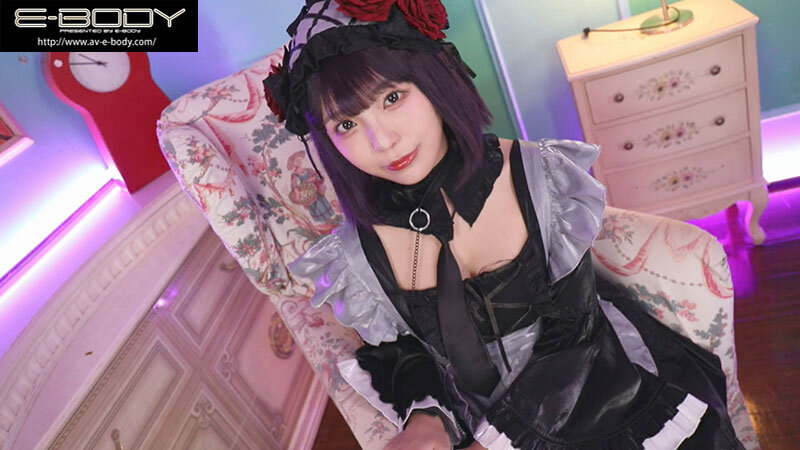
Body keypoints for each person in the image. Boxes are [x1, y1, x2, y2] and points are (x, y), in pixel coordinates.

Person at [263, 1, 744, 448]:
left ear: (433, 81)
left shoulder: (536, 176)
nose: (382, 140)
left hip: (593, 393)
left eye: (392, 97)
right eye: (346, 125)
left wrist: (493, 442)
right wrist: (427, 418)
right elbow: (403, 351)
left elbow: (575, 334)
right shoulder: (356, 253)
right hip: (471, 421)